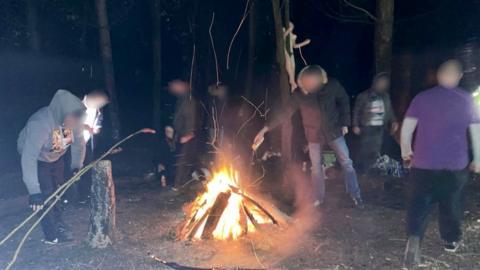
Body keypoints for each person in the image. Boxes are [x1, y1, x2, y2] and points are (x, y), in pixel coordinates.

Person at [401, 60, 480, 268]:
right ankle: (451, 239)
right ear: (459, 76)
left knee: (419, 204)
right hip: (454, 166)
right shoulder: (467, 100)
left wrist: (406, 152)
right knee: (451, 203)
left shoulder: (422, 98)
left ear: (439, 75)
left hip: (423, 163)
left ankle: (414, 238)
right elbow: (476, 132)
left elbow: (407, 128)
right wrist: (478, 159)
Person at [253, 65, 363, 208]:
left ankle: (355, 195)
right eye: (307, 82)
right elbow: (284, 112)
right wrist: (264, 129)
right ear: (302, 81)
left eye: (313, 81)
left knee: (346, 163)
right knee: (316, 168)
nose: (310, 84)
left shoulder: (332, 85)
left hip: (334, 131)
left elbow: (343, 100)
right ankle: (318, 198)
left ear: (321, 79)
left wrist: (344, 123)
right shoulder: (300, 95)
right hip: (313, 135)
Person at [17, 89, 86, 244]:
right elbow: (29, 157)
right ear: (62, 112)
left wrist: (76, 167)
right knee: (45, 194)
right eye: (71, 118)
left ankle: (58, 222)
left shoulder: (74, 121)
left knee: (57, 191)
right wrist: (34, 191)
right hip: (38, 159)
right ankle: (51, 233)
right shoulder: (40, 123)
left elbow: (78, 145)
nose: (74, 123)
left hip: (56, 157)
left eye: (76, 119)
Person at [353, 72, 398, 173]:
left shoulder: (385, 96)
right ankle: (361, 170)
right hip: (366, 127)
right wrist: (355, 124)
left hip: (379, 128)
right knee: (364, 150)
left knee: (375, 150)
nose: (383, 84)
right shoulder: (364, 95)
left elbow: (389, 110)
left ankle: (371, 170)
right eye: (381, 82)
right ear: (375, 82)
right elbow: (356, 110)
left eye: (385, 83)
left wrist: (394, 121)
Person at [77, 90, 109, 203]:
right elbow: (67, 122)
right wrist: (85, 127)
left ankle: (85, 195)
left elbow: (98, 125)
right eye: (101, 102)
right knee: (74, 169)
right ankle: (73, 196)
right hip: (71, 144)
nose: (101, 105)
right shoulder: (76, 103)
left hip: (86, 143)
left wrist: (96, 130)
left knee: (87, 168)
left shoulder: (98, 110)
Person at [168, 79, 200, 189]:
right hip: (181, 134)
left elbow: (191, 117)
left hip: (188, 135)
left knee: (183, 160)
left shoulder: (189, 100)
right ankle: (196, 175)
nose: (173, 88)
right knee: (185, 159)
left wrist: (189, 134)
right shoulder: (181, 99)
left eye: (175, 85)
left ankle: (179, 184)